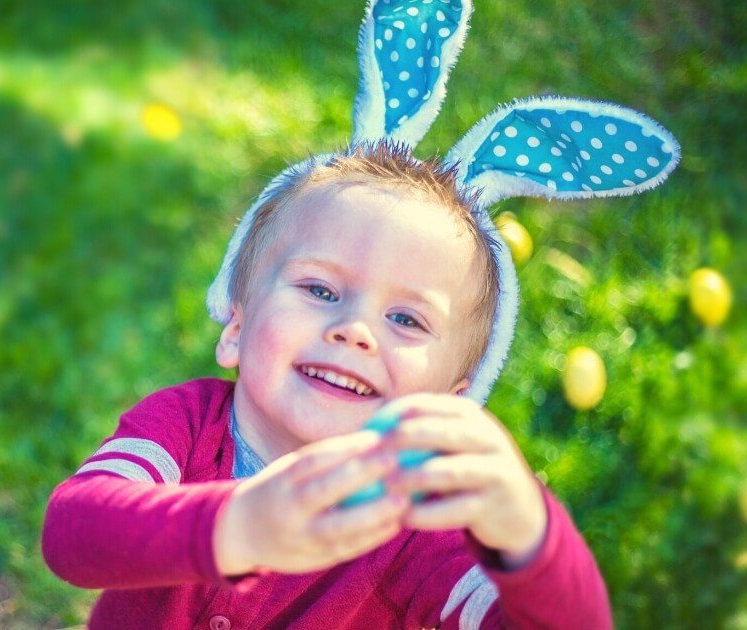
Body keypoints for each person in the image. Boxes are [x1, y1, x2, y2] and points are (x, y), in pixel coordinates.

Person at [40, 141, 613, 629]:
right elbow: (73, 534)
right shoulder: (186, 426)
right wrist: (238, 525)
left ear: (448, 405)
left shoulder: (420, 529)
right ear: (235, 327)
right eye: (319, 290)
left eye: (406, 320)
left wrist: (529, 532)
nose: (354, 331)